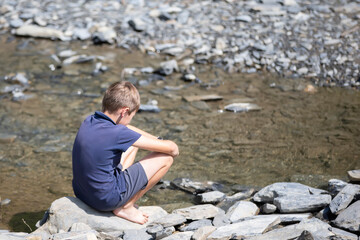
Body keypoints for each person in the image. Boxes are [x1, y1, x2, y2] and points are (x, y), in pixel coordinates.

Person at [72, 81, 179, 224]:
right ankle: (126, 207)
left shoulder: (90, 120)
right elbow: (173, 149)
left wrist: (156, 140)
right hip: (105, 200)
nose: (130, 119)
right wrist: (162, 145)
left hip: (82, 193)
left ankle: (122, 195)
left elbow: (127, 129)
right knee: (166, 158)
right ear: (124, 111)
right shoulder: (118, 134)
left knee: (132, 145)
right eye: (132, 115)